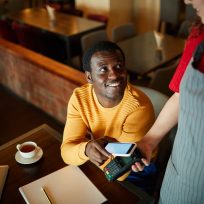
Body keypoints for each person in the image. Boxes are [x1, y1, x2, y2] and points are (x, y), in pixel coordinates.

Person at [132, 0, 204, 203]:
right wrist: (149, 140)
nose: (187, 1)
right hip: (180, 169)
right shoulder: (199, 37)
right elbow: (181, 95)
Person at [61, 41, 155, 182]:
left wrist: (84, 150)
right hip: (105, 162)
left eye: (118, 66)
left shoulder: (138, 108)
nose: (114, 75)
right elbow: (66, 153)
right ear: (89, 77)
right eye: (103, 69)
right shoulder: (80, 98)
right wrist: (86, 149)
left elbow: (121, 174)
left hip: (138, 170)